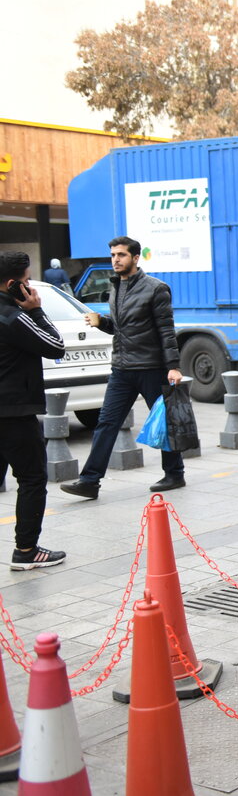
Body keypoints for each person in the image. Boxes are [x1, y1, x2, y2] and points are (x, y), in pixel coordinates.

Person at [60, 237, 185, 501]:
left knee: (163, 421)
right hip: (122, 368)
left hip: (151, 367)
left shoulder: (156, 289)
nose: (116, 259)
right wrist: (102, 322)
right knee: (106, 422)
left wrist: (173, 366)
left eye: (121, 255)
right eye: (113, 255)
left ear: (135, 258)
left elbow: (166, 331)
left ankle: (174, 473)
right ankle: (90, 481)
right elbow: (121, 328)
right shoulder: (116, 286)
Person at [0, 252, 67, 570]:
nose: (30, 287)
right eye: (26, 282)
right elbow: (56, 347)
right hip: (14, 411)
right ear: (14, 285)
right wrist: (37, 310)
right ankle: (26, 551)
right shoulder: (15, 317)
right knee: (32, 478)